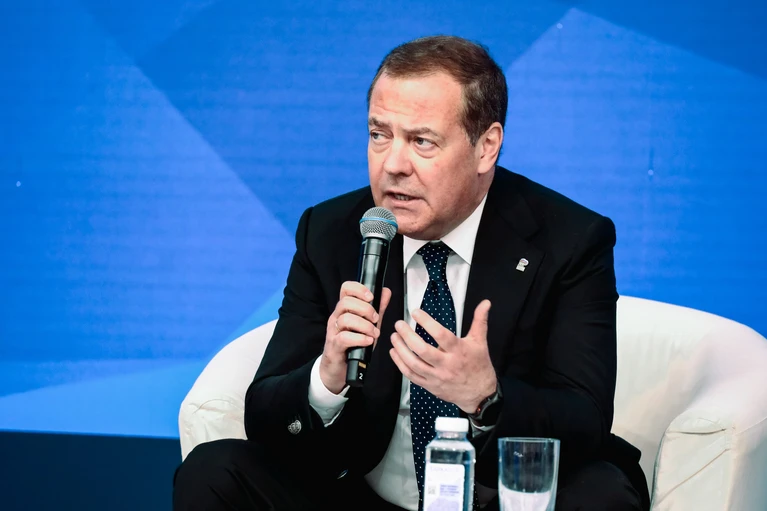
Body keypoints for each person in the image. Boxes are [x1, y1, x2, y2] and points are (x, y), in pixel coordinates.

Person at [173, 35, 650, 511]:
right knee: (215, 472)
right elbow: (264, 415)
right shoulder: (332, 232)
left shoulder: (568, 239)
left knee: (601, 494)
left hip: (498, 498)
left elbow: (583, 419)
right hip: (361, 494)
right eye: (379, 135)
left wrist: (486, 397)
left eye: (422, 141)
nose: (393, 166)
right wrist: (325, 379)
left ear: (486, 147)